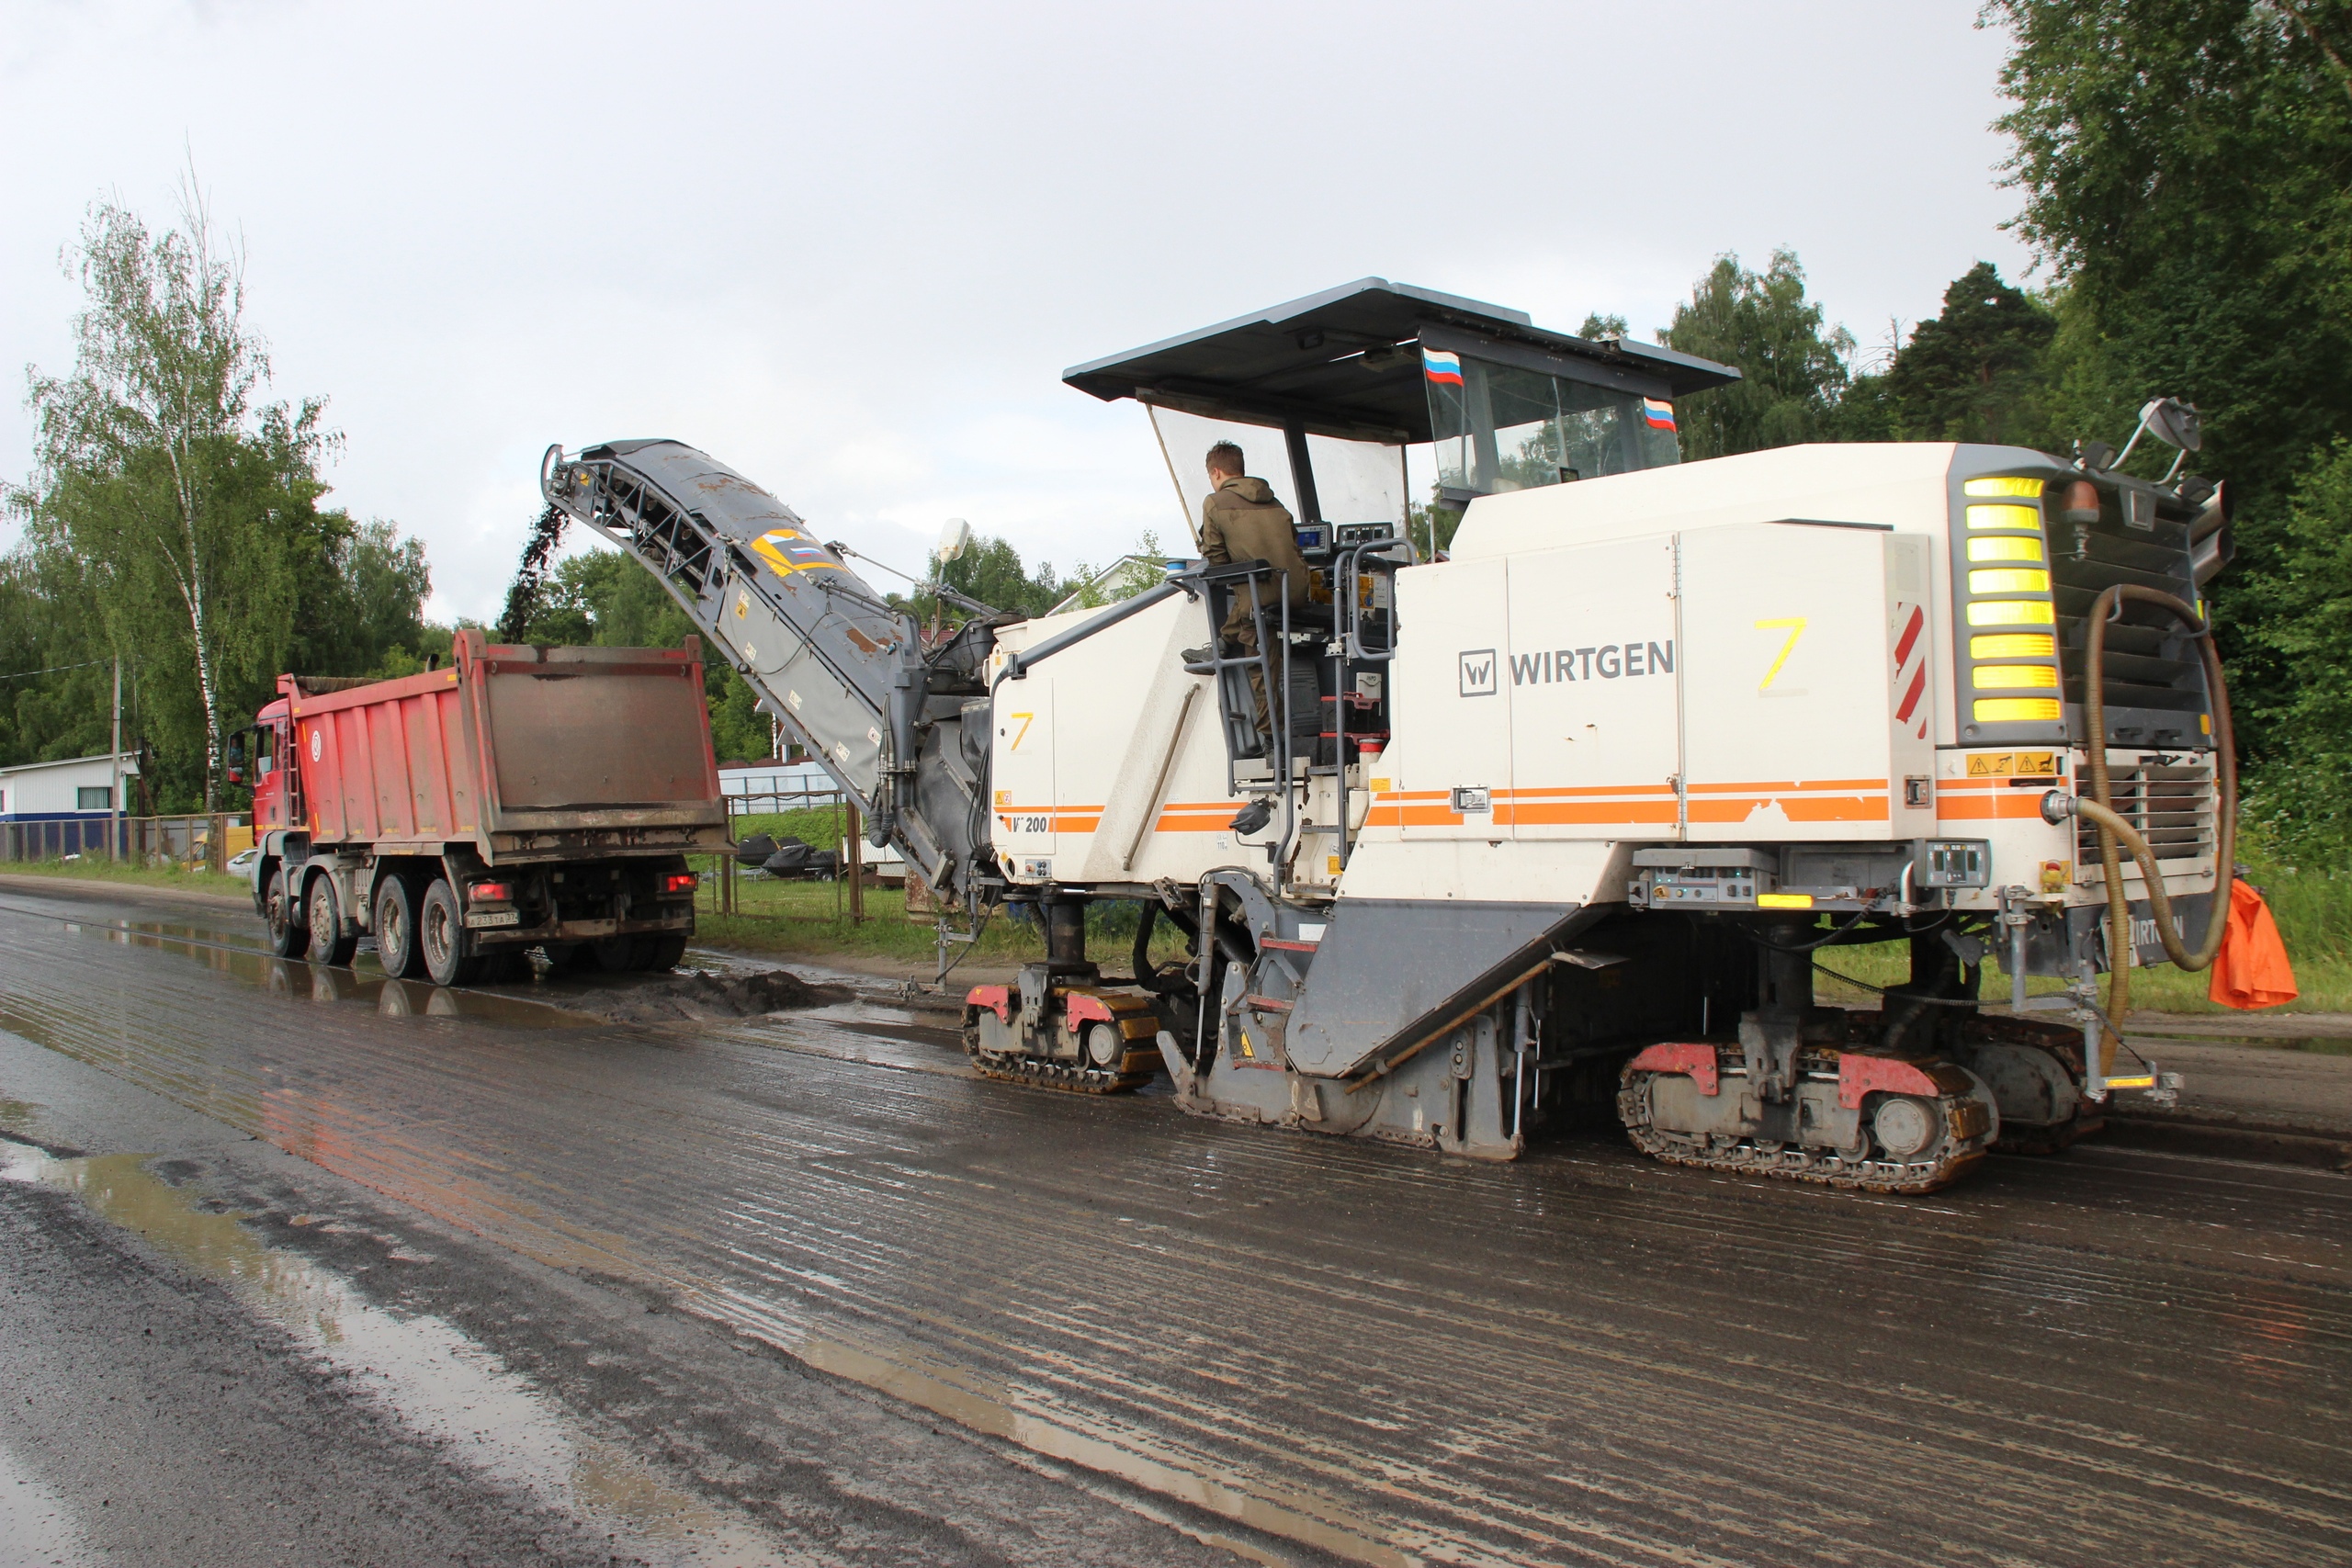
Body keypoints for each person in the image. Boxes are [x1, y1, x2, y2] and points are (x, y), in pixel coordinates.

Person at [1190, 441, 1314, 657]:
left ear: (1216, 473)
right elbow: (1295, 546)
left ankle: (1222, 647)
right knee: (1256, 606)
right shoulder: (1276, 503)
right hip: (1296, 590)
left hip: (1260, 599)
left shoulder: (1214, 502)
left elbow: (1217, 557)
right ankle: (1222, 644)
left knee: (1252, 618)